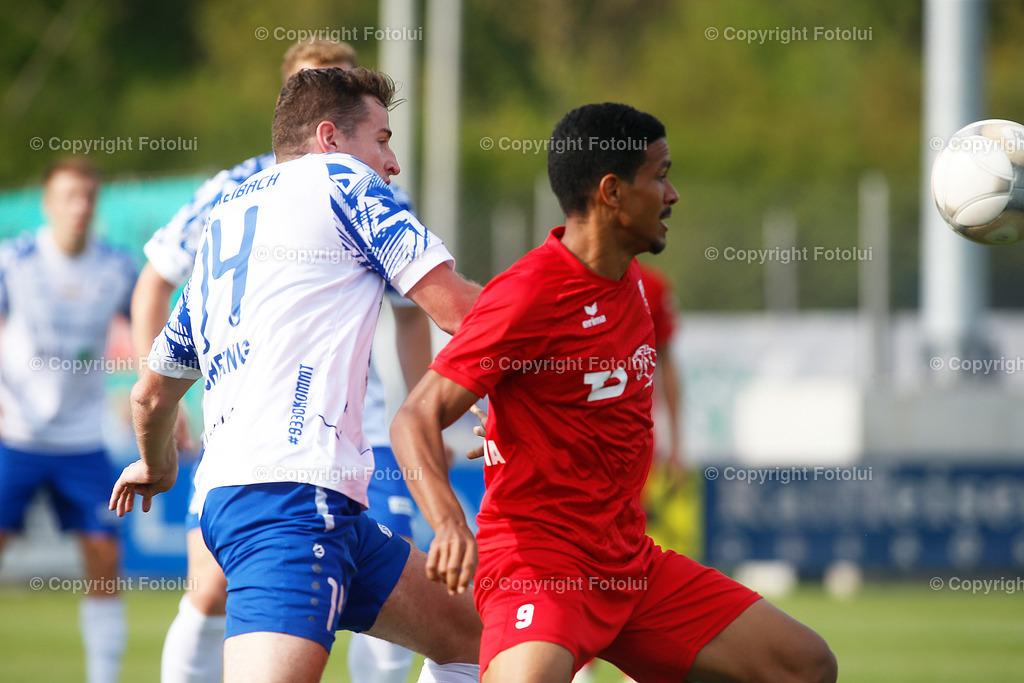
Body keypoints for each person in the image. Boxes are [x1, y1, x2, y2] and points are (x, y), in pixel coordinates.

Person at [390, 103, 839, 682]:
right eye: (660, 176)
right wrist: (450, 522)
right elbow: (415, 417)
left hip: (628, 564)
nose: (672, 194)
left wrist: (513, 416)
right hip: (539, 565)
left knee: (805, 665)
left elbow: (560, 387)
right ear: (612, 192)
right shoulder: (530, 292)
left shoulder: (633, 283)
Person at [112, 67, 482, 683]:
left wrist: (157, 464)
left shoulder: (227, 215)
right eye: (382, 140)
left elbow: (151, 395)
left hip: (270, 500)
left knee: (476, 637)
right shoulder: (342, 182)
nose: (392, 163)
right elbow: (462, 312)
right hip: (290, 501)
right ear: (330, 139)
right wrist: (567, 328)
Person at [0, 157, 137, 683]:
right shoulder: (14, 262)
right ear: (47, 204)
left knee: (103, 555)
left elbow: (150, 329)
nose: (79, 207)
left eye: (88, 197)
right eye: (68, 197)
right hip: (16, 434)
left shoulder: (116, 267)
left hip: (82, 440)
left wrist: (158, 397)